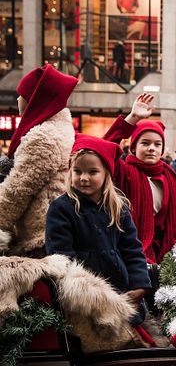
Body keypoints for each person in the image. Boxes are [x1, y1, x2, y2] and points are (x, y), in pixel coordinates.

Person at [45, 135, 152, 330]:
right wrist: (93, 296)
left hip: (122, 289)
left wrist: (139, 285)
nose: (83, 178)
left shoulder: (118, 206)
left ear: (106, 174)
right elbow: (62, 258)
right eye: (77, 171)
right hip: (85, 297)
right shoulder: (61, 208)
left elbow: (132, 249)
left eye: (92, 172)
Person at [0, 65, 77, 257]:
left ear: (33, 100)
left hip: (38, 238)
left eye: (22, 95)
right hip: (54, 230)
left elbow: (17, 192)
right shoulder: (61, 129)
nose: (18, 99)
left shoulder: (43, 137)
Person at [103, 95, 176, 263]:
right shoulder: (122, 171)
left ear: (163, 150)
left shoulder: (171, 177)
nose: (152, 148)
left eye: (157, 144)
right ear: (134, 147)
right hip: (126, 256)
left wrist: (173, 256)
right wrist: (132, 118)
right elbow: (103, 149)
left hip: (165, 257)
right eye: (145, 143)